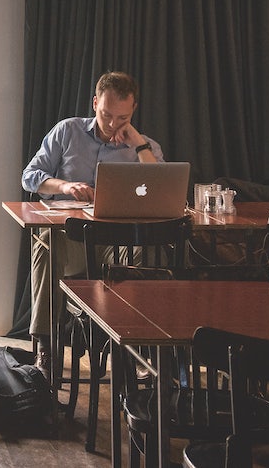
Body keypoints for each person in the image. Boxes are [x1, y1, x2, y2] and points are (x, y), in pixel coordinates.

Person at [21, 71, 163, 377]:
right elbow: (30, 176)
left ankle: (131, 347)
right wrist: (65, 187)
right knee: (46, 243)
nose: (112, 124)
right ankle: (47, 347)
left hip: (119, 243)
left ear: (133, 109)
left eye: (122, 117)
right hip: (72, 238)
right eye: (106, 114)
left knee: (150, 256)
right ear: (95, 102)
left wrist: (138, 144)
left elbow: (161, 187)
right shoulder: (67, 132)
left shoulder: (144, 148)